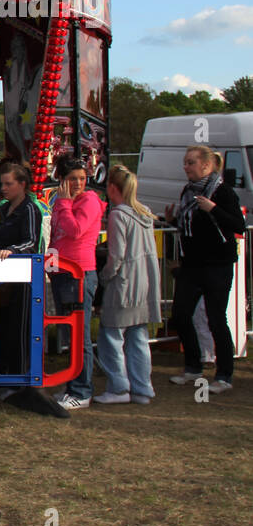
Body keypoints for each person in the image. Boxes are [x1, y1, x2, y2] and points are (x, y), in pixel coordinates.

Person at [165, 145, 243, 393]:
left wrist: (213, 209)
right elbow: (193, 228)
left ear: (206, 166)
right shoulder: (188, 192)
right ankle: (193, 366)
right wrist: (173, 222)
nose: (186, 167)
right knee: (180, 314)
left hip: (217, 265)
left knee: (216, 318)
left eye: (190, 162)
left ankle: (224, 375)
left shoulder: (222, 192)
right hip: (193, 264)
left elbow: (237, 224)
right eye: (185, 162)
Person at [95, 166, 161, 404]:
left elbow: (117, 256)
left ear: (113, 188)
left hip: (124, 283)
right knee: (138, 337)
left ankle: (119, 387)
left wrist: (104, 276)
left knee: (111, 336)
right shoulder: (144, 213)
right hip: (144, 282)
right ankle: (142, 388)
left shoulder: (118, 215)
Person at [48, 155, 106, 409]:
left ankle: (82, 390)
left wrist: (63, 203)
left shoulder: (89, 200)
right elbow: (58, 235)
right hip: (62, 270)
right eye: (73, 179)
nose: (79, 183)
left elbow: (76, 230)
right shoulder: (64, 201)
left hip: (79, 272)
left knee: (79, 334)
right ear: (61, 180)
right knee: (70, 333)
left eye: (82, 178)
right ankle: (74, 384)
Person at [0, 162, 43, 375]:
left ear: (22, 184)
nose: (4, 188)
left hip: (24, 278)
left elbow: (31, 241)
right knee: (2, 324)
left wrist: (12, 250)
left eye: (9, 184)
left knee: (20, 326)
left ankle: (20, 372)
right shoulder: (3, 209)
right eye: (2, 184)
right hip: (2, 276)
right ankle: (3, 370)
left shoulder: (30, 209)